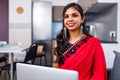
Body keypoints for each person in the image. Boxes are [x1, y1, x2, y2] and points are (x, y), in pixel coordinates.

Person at [53, 2, 108, 80]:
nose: (70, 19)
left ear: (82, 19)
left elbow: (99, 75)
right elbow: (56, 71)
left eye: (74, 15)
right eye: (66, 16)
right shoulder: (59, 42)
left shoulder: (94, 43)